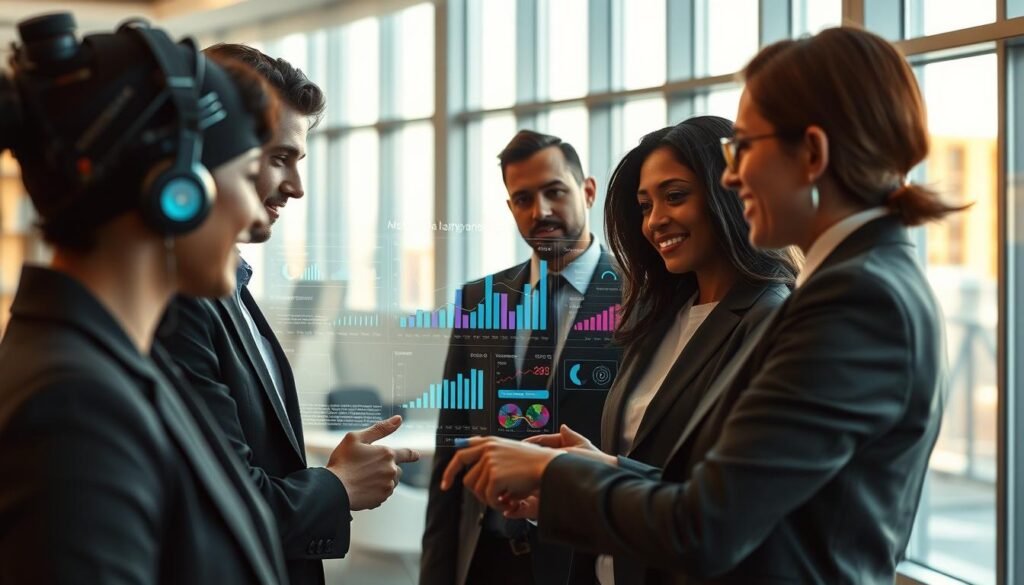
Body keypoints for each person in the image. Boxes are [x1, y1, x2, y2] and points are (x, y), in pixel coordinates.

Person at [442, 26, 962, 584]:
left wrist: (555, 473)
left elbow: (708, 525)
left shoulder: (858, 300)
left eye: (744, 148)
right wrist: (608, 469)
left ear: (811, 152)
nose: (733, 176)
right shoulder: (862, 282)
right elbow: (737, 493)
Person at [0, 14, 287, 584]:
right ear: (175, 192)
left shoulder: (111, 365)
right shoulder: (76, 409)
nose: (256, 214)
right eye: (248, 174)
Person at [155, 43, 418, 585]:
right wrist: (337, 487)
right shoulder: (179, 300)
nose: (296, 188)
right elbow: (216, 509)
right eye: (278, 158)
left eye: (297, 160)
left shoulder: (233, 285)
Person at [564, 116, 796, 584]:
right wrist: (585, 465)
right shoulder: (657, 316)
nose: (654, 222)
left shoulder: (770, 321)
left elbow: (731, 503)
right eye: (645, 206)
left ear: (728, 193)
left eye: (675, 196)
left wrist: (590, 475)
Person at [421, 130, 624, 585]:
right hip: (484, 558)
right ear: (511, 207)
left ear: (588, 190)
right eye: (523, 198)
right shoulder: (480, 300)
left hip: (581, 563)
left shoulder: (637, 298)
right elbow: (452, 449)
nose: (542, 212)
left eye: (555, 192)